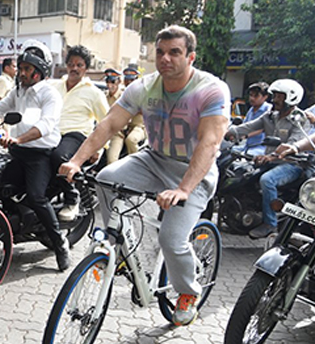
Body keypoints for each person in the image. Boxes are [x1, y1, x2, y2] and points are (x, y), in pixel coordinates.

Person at [60, 25, 230, 326]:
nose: (165, 59)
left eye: (174, 52)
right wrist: (76, 160)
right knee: (106, 178)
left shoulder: (211, 90)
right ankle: (128, 244)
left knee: (172, 240)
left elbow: (210, 143)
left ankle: (188, 293)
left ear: (190, 57)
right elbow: (109, 125)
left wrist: (184, 189)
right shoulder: (143, 86)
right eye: (160, 52)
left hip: (192, 172)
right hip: (153, 159)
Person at [0, 39, 70, 271]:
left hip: (40, 155)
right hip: (17, 152)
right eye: (21, 68)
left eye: (26, 69)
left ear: (39, 71)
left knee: (36, 197)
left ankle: (60, 243)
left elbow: (45, 125)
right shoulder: (18, 91)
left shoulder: (50, 95)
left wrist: (18, 139)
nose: (21, 72)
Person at [227, 79, 311, 239]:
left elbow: (294, 144)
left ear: (291, 97)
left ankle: (270, 224)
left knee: (267, 180)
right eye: (276, 96)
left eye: (280, 96)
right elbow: (249, 127)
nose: (275, 100)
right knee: (241, 172)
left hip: (292, 164)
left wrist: (270, 156)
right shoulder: (271, 116)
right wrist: (225, 132)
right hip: (270, 161)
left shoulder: (299, 118)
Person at [50, 45, 109, 221]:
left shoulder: (94, 93)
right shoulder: (55, 86)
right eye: (71, 64)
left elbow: (107, 122)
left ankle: (72, 197)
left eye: (79, 65)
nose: (74, 68)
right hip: (52, 134)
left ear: (86, 68)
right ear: (66, 65)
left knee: (58, 156)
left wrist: (99, 148)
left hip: (76, 136)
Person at [105, 66, 147, 164]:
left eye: (132, 80)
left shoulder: (142, 94)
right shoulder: (117, 95)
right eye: (127, 80)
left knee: (131, 140)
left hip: (138, 127)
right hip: (115, 129)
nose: (129, 82)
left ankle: (137, 165)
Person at [230, 81, 272, 155]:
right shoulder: (251, 110)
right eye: (251, 95)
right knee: (228, 152)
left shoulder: (269, 110)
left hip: (260, 148)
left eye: (256, 96)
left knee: (245, 158)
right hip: (247, 146)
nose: (252, 98)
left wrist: (245, 136)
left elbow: (262, 128)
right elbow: (245, 125)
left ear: (265, 97)